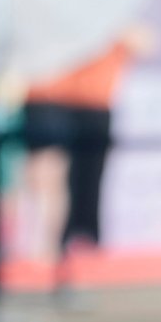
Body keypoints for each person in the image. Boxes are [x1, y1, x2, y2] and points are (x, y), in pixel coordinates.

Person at [23, 27, 151, 299]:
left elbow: (146, 43)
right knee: (49, 176)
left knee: (89, 179)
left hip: (94, 102)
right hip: (50, 98)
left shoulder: (111, 19)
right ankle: (51, 244)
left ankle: (82, 242)